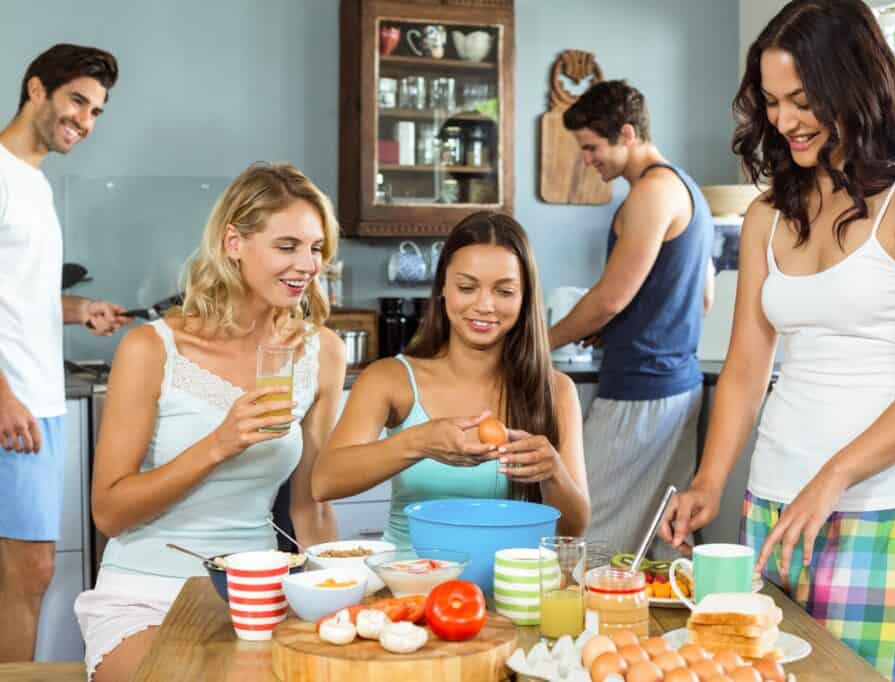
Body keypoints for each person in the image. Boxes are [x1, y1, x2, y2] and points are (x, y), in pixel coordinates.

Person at [659, 2, 895, 680]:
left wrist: (833, 476)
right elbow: (745, 366)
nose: (784, 121)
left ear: (853, 85)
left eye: (803, 100)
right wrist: (710, 481)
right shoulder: (770, 212)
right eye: (772, 102)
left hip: (884, 512)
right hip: (774, 505)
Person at [75, 162, 344, 681]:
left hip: (260, 598)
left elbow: (312, 509)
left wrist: (332, 599)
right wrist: (219, 443)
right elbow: (109, 512)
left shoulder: (320, 353)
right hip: (146, 596)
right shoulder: (153, 348)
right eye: (287, 246)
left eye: (315, 248)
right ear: (234, 242)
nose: (306, 264)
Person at [314, 211, 589, 547]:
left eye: (504, 291)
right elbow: (324, 482)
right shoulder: (390, 379)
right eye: (467, 287)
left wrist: (554, 472)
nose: (485, 305)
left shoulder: (556, 390)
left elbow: (574, 529)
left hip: (514, 586)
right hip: (410, 588)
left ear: (524, 296)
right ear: (443, 285)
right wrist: (418, 442)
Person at [0, 43, 129, 663]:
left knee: (27, 574)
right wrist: (2, 396)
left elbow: (20, 293)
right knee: (29, 572)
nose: (86, 119)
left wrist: (82, 310)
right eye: (77, 100)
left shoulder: (35, 184)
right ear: (35, 90)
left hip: (36, 403)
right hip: (13, 405)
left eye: (97, 110)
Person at [550, 80, 714, 557]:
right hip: (676, 388)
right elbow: (700, 297)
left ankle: (574, 630)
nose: (587, 160)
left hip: (642, 390)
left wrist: (540, 342)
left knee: (582, 525)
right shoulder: (686, 188)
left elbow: (609, 300)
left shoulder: (650, 194)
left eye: (592, 148)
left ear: (626, 134)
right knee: (660, 539)